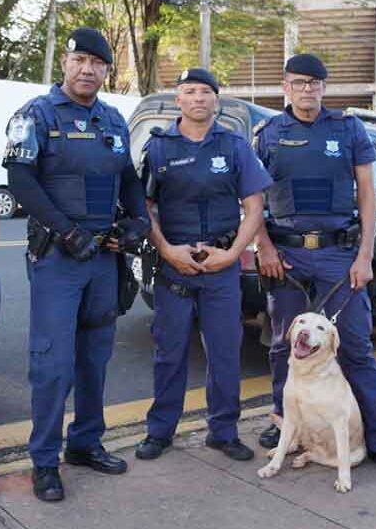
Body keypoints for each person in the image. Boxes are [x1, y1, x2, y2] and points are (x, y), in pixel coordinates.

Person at [3, 27, 150, 502]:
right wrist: (66, 231)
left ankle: (85, 443)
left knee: (95, 357)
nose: (88, 70)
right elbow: (20, 181)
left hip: (103, 259)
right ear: (65, 64)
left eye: (98, 63)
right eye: (80, 60)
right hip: (58, 259)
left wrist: (138, 222)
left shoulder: (112, 120)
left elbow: (127, 178)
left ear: (108, 70)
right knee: (52, 363)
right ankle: (45, 461)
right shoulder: (36, 115)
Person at [253, 53, 376, 480]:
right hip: (286, 257)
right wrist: (264, 246)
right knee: (285, 345)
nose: (308, 89)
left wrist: (363, 256)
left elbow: (366, 194)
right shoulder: (268, 134)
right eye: (299, 82)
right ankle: (285, 424)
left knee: (356, 348)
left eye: (315, 83)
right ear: (285, 86)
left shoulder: (348, 129)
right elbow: (251, 199)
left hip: (339, 256)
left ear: (324, 87)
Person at [135, 68, 271, 462]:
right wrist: (166, 250)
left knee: (226, 352)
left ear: (216, 101)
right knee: (169, 353)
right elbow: (145, 209)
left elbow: (255, 208)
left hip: (221, 266)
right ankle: (160, 432)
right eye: (189, 92)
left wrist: (231, 255)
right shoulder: (158, 147)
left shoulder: (234, 146)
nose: (197, 98)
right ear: (178, 99)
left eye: (205, 92)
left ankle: (223, 431)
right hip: (174, 267)